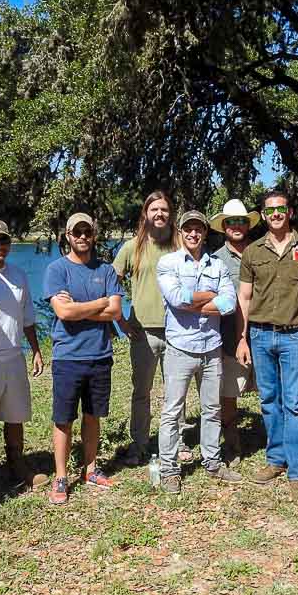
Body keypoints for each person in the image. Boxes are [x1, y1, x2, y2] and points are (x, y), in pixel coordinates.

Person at [237, 190, 298, 504]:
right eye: (270, 210)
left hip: (296, 336)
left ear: (289, 212)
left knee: (295, 403)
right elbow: (244, 298)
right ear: (263, 215)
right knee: (269, 400)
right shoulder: (252, 252)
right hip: (260, 335)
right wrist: (242, 338)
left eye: (280, 209)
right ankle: (276, 459)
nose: (275, 214)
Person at [155, 211, 242, 493]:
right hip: (180, 348)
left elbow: (229, 304)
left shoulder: (218, 264)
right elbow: (176, 299)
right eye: (188, 229)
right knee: (172, 411)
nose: (193, 234)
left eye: (198, 229)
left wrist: (194, 303)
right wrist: (211, 296)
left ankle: (212, 462)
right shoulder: (168, 263)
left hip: (211, 348)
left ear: (205, 233)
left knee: (212, 409)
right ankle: (169, 470)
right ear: (180, 232)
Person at [43, 212, 123, 506]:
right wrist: (99, 303)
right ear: (67, 236)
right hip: (68, 357)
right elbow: (63, 312)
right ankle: (61, 476)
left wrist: (80, 308)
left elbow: (115, 311)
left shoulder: (107, 270)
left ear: (94, 234)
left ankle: (90, 469)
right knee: (63, 419)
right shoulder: (57, 270)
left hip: (100, 355)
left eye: (87, 232)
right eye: (76, 232)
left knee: (93, 415)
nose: (82, 237)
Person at [0, 219, 48, 500]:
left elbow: (26, 317)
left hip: (14, 355)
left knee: (16, 415)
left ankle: (17, 464)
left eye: (3, 240)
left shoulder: (18, 275)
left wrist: (35, 350)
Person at [112, 191, 184, 465]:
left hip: (178, 330)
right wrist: (120, 320)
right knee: (141, 391)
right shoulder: (132, 247)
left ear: (170, 213)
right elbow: (111, 282)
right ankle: (139, 443)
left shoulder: (180, 244)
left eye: (164, 209)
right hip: (142, 332)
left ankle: (178, 442)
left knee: (175, 391)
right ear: (146, 213)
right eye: (154, 209)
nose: (159, 214)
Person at [210, 199, 262, 466]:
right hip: (230, 337)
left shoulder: (262, 252)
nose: (237, 226)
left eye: (241, 221)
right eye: (231, 221)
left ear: (248, 224)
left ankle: (275, 441)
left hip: (264, 333)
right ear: (224, 226)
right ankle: (232, 443)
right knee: (228, 393)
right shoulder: (215, 260)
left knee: (271, 390)